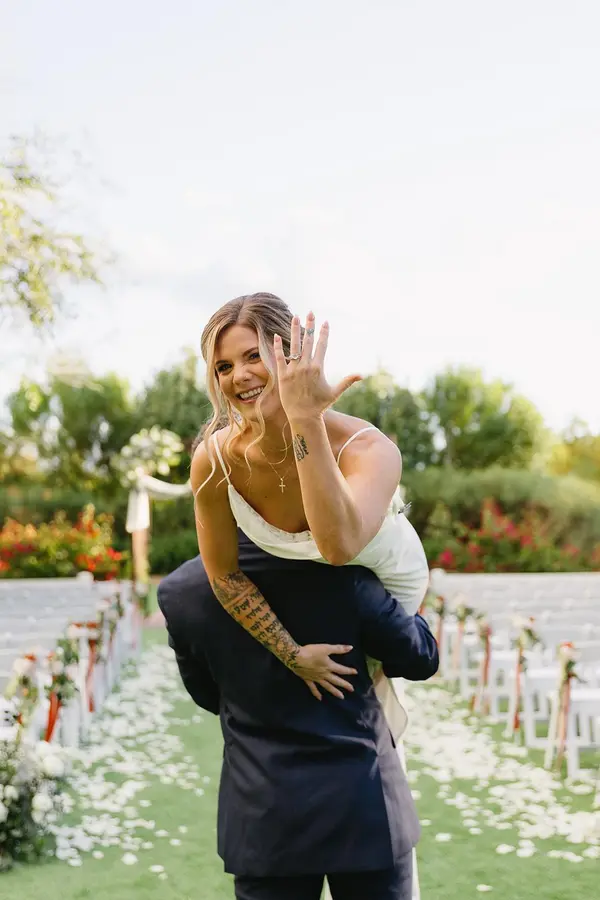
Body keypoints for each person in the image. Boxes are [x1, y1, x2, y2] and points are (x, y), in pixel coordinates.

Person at [191, 292, 430, 736]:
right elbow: (224, 576)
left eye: (253, 356)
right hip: (313, 580)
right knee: (185, 591)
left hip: (383, 581)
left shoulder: (368, 449)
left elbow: (337, 548)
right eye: (223, 367)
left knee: (369, 690)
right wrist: (293, 654)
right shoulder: (214, 460)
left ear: (292, 357)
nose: (239, 376)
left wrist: (305, 419)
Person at [158, 531, 439, 899]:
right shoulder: (344, 570)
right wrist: (407, 598)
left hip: (264, 810)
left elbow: (208, 695)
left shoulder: (181, 591)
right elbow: (419, 658)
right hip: (363, 803)